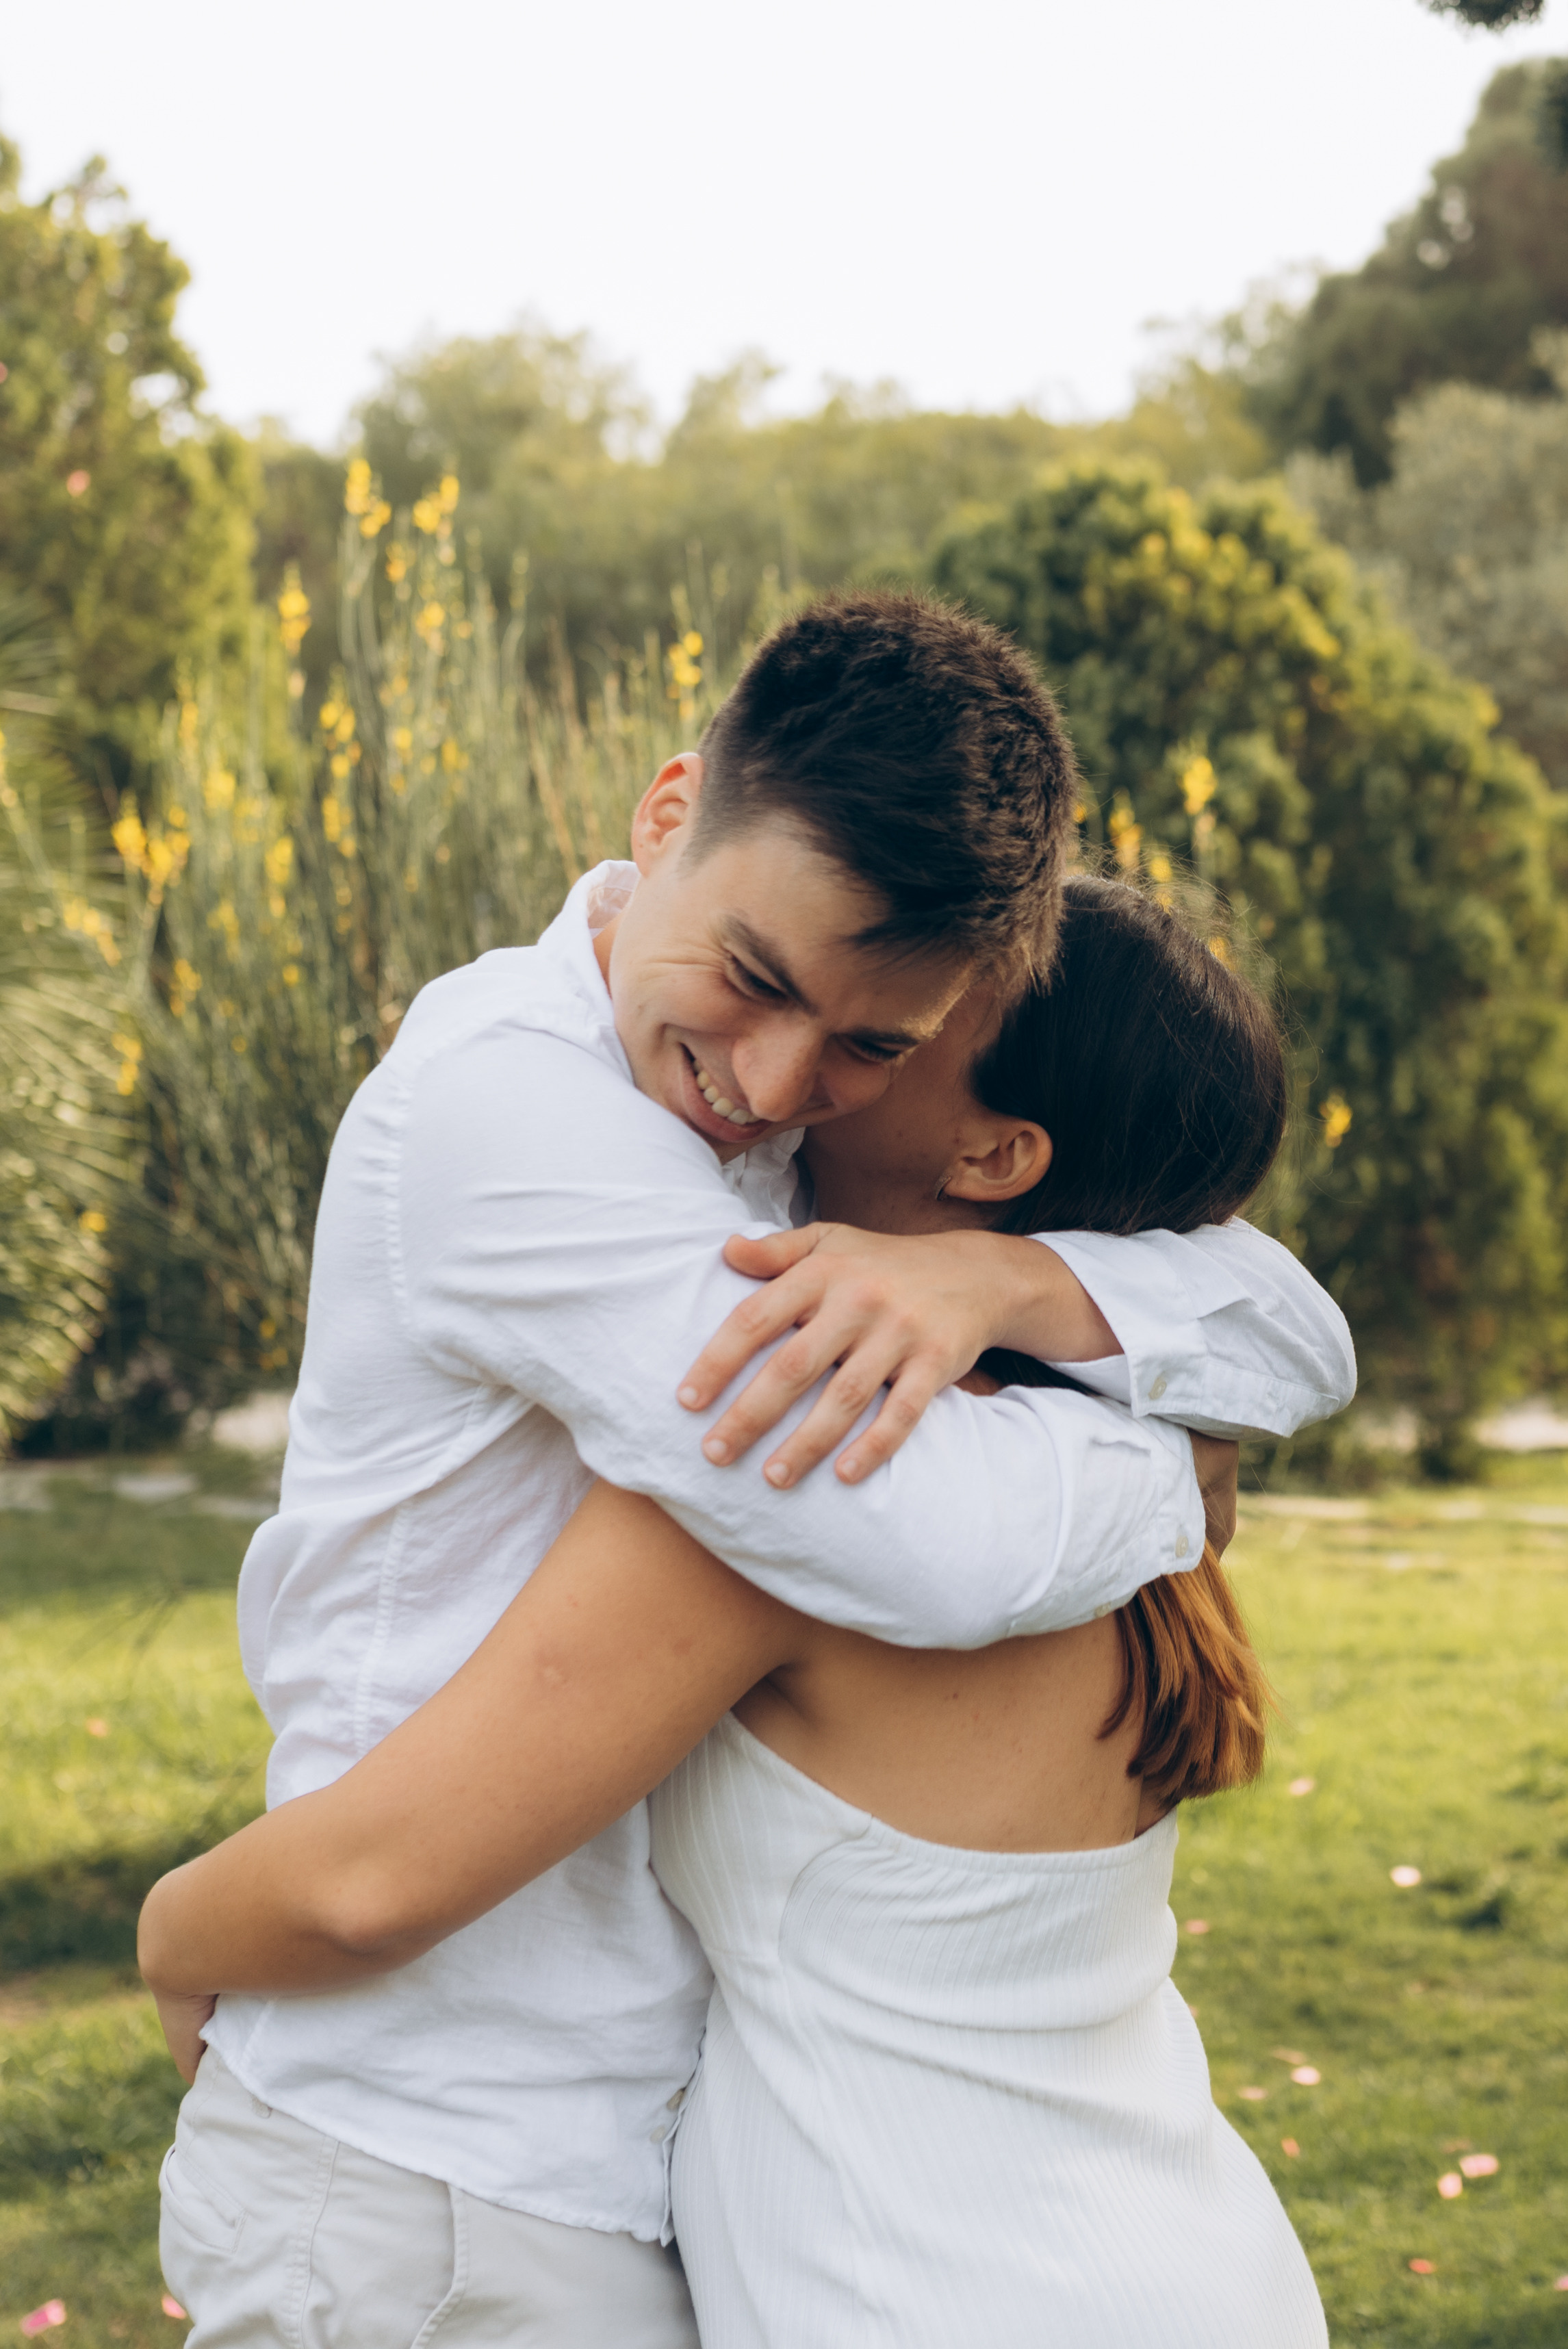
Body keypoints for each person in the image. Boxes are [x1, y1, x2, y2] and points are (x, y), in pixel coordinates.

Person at [143, 595, 1352, 2344]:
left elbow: (1281, 1320)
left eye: (875, 1048)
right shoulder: (532, 1127)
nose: (778, 1087)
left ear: (999, 1143)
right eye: (759, 983)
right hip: (441, 2162)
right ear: (662, 815)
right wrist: (1174, 1463)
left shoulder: (830, 1282)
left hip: (666, 2205)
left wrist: (1009, 1285)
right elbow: (933, 1538)